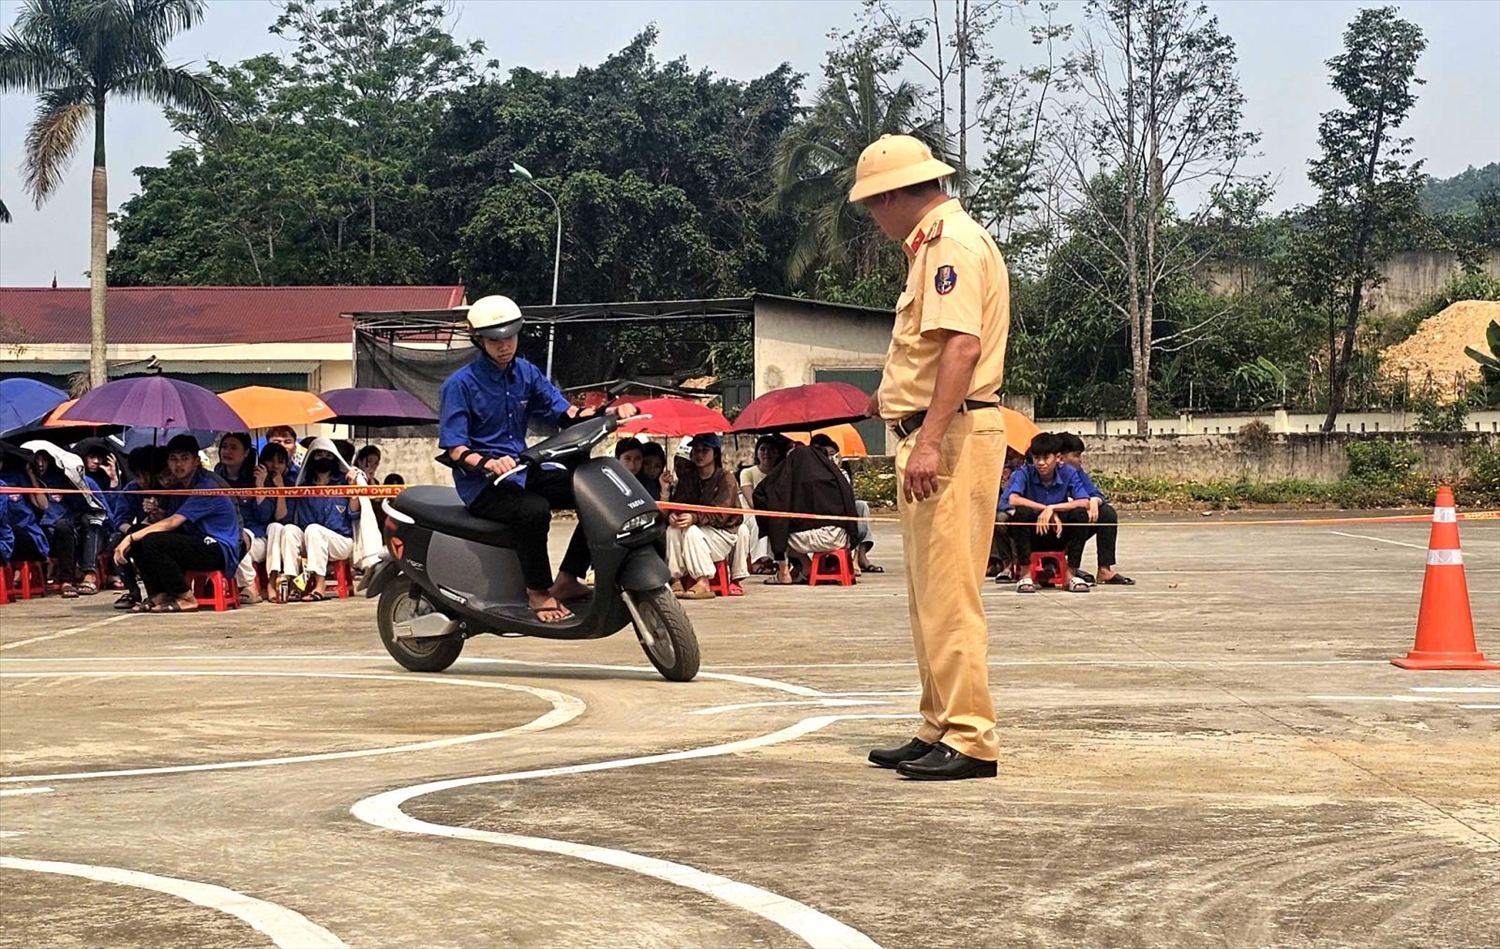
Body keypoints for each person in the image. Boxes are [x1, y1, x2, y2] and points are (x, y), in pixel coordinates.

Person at [853, 133, 1009, 780]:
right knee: (927, 595)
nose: (873, 218)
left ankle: (971, 736)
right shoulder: (933, 247)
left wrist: (928, 435)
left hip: (952, 436)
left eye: (873, 205)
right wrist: (895, 404)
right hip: (935, 430)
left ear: (895, 195)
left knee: (948, 593)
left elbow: (961, 350)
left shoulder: (951, 244)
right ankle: (938, 722)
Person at [438, 294, 638, 623]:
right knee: (534, 510)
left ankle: (569, 578)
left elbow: (568, 413)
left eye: (510, 337)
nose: (504, 345)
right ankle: (538, 592)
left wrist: (610, 413)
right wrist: (488, 463)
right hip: (483, 486)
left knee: (594, 492)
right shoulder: (459, 385)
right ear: (479, 340)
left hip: (521, 469)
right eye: (494, 339)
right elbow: (454, 449)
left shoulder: (526, 373)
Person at [114, 435, 241, 613]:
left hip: (217, 548)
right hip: (193, 541)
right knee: (139, 531)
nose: (178, 464)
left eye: (184, 459)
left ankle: (185, 597)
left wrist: (130, 538)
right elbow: (167, 520)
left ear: (196, 461)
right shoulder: (178, 488)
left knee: (151, 540)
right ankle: (158, 593)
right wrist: (154, 514)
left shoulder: (206, 487)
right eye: (173, 459)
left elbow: (173, 522)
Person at [754, 440, 858, 586]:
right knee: (783, 528)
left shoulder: (789, 482)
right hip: (840, 537)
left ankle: (784, 572)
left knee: (776, 530)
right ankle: (805, 567)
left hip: (813, 538)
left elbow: (761, 494)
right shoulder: (833, 476)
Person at [1002, 433, 1093, 594]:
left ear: (1057, 457)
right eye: (1037, 458)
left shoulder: (1069, 472)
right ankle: (1025, 573)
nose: (1041, 463)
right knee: (1021, 513)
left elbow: (1084, 501)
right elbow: (1013, 499)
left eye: (1046, 458)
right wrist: (1044, 509)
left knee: (1079, 514)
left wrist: (1053, 509)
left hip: (1058, 533)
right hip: (1032, 533)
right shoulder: (1025, 472)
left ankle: (1070, 573)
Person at [276, 438, 360, 602]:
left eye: (328, 456)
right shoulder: (304, 487)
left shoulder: (344, 482)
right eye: (319, 455)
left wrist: (353, 488)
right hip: (310, 539)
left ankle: (319, 585)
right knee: (289, 530)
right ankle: (294, 585)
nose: (323, 459)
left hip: (340, 540)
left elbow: (354, 515)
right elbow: (292, 518)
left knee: (314, 530)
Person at [664, 433, 745, 599]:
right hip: (695, 532)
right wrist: (674, 515)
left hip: (722, 533)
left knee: (692, 532)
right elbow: (679, 504)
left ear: (715, 453)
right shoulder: (688, 480)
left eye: (704, 450)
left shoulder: (725, 478)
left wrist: (694, 517)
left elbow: (722, 513)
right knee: (672, 531)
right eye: (696, 450)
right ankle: (676, 579)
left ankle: (703, 581)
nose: (699, 455)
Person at [809, 433, 883, 575]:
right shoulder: (811, 474)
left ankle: (860, 557)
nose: (830, 458)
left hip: (843, 511)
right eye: (826, 454)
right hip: (824, 516)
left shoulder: (842, 473)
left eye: (833, 454)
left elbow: (847, 497)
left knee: (861, 506)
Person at [738, 435, 786, 574]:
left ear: (777, 453)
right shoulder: (747, 473)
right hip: (751, 514)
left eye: (771, 450)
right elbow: (752, 503)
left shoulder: (782, 473)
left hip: (775, 512)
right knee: (758, 520)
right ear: (757, 453)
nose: (766, 453)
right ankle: (758, 561)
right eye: (763, 449)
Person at [256, 442, 296, 602]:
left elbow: (283, 517)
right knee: (273, 527)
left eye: (280, 461)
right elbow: (263, 515)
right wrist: (260, 485)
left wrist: (280, 490)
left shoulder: (290, 484)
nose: (275, 466)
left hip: (282, 533)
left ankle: (276, 580)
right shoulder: (257, 480)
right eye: (271, 460)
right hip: (262, 532)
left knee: (278, 527)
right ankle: (271, 581)